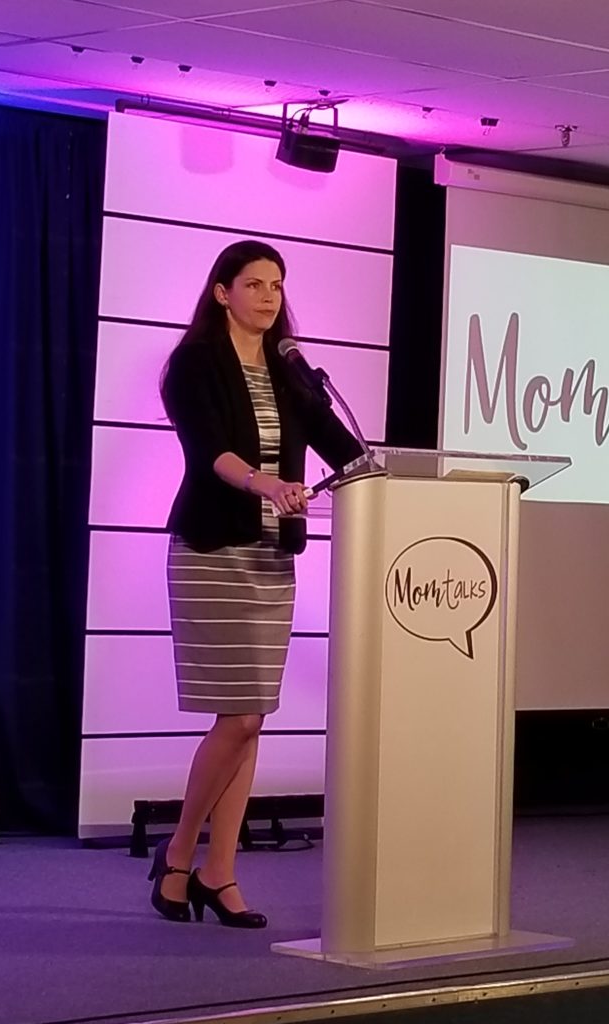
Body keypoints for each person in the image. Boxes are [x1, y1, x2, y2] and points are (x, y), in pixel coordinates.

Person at [149, 239, 363, 927]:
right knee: (239, 716)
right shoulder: (195, 362)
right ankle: (178, 855)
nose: (269, 297)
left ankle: (217, 871)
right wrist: (265, 482)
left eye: (277, 285)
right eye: (254, 284)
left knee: (250, 720)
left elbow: (344, 450)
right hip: (213, 549)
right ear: (222, 292)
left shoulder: (289, 369)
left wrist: (380, 472)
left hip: (273, 557)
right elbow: (209, 450)